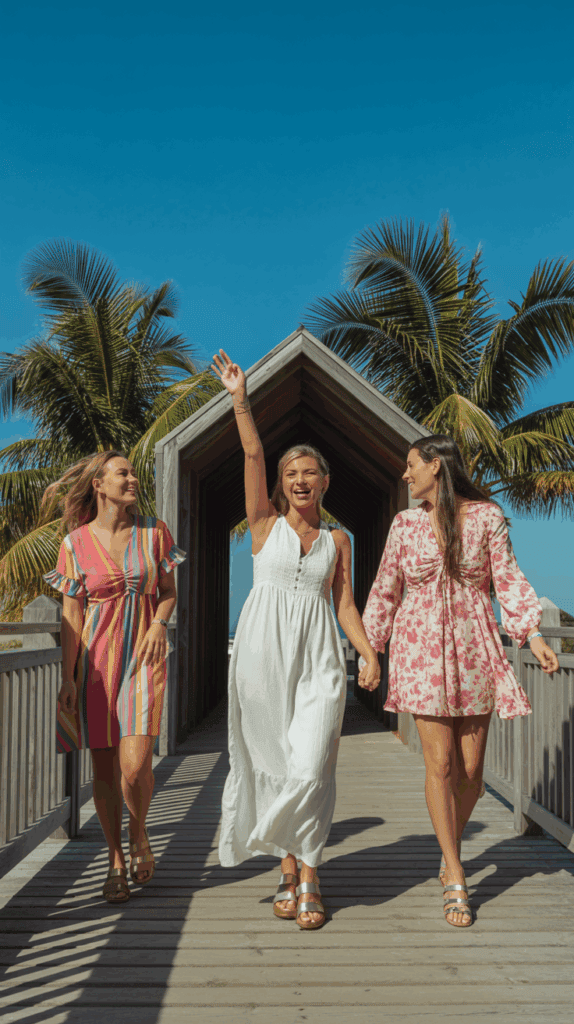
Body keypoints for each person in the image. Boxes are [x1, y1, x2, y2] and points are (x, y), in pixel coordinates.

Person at [212, 349, 380, 930]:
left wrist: (367, 651)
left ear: (325, 482)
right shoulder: (263, 525)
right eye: (291, 474)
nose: (300, 481)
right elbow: (252, 454)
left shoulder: (339, 541)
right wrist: (240, 400)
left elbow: (344, 604)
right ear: (280, 486)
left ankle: (307, 870)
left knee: (312, 763)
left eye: (309, 473)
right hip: (261, 655)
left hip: (319, 657)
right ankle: (294, 871)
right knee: (276, 762)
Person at [361, 434, 559, 928]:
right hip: (420, 648)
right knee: (442, 763)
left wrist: (532, 635)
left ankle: (447, 843)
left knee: (471, 772)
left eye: (411, 464)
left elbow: (508, 578)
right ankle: (454, 870)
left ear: (436, 466)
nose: (405, 474)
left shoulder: (488, 517)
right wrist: (371, 651)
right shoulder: (405, 524)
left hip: (475, 647)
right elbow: (385, 589)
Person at [43, 451, 185, 903]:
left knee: (135, 763)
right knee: (104, 768)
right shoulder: (74, 544)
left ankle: (138, 832)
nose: (133, 478)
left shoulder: (155, 532)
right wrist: (68, 678)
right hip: (97, 666)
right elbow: (71, 616)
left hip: (144, 656)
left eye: (133, 472)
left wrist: (159, 623)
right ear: (99, 485)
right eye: (123, 472)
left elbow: (168, 592)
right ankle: (116, 859)